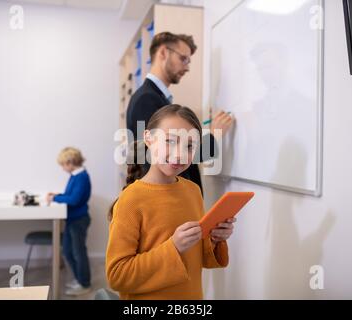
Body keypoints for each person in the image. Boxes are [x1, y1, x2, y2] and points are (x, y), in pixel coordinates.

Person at [106, 104, 236, 299]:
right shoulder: (131, 201)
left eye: (190, 146)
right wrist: (173, 247)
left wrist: (216, 239)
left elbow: (196, 256)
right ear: (149, 139)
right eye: (170, 141)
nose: (179, 154)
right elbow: (117, 276)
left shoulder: (192, 191)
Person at [126, 32, 234, 194]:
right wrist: (213, 135)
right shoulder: (147, 98)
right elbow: (163, 156)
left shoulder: (155, 97)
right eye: (183, 59)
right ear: (163, 52)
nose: (187, 67)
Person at [46, 147, 92, 296]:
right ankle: (80, 279)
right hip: (72, 220)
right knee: (67, 251)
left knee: (79, 253)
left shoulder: (81, 177)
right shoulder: (75, 175)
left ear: (71, 162)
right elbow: (69, 194)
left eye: (63, 164)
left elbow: (74, 199)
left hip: (79, 220)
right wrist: (58, 195)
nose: (62, 167)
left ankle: (85, 283)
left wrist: (54, 198)